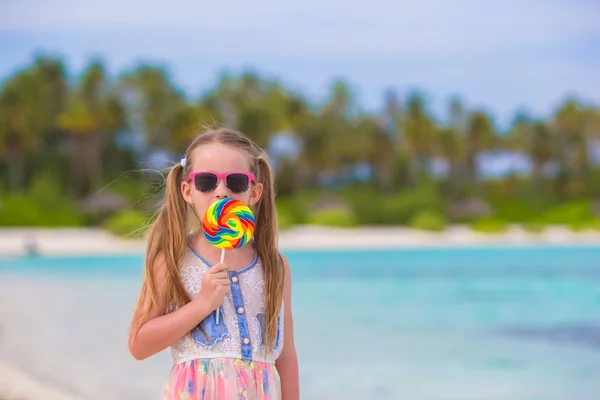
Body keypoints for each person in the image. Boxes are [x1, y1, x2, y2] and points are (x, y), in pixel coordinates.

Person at [128, 128, 300, 399]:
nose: (221, 192)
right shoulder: (173, 259)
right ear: (187, 191)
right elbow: (139, 345)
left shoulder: (275, 266)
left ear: (254, 192)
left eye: (236, 182)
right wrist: (202, 305)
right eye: (207, 182)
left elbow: (286, 355)